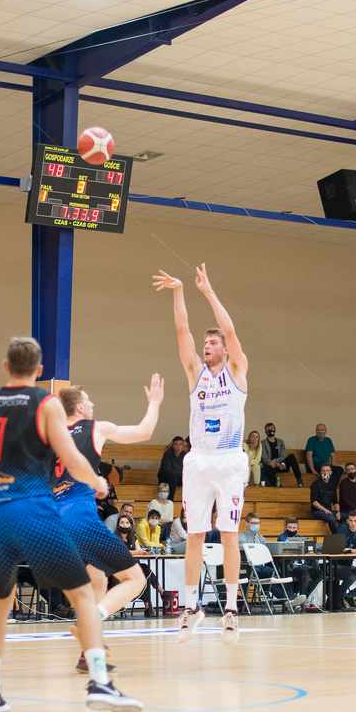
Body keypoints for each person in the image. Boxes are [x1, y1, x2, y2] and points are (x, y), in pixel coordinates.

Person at [0, 336, 141, 712]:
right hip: (33, 509)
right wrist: (97, 482)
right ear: (38, 370)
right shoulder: (45, 403)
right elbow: (72, 458)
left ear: (5, 366)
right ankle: (99, 682)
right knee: (83, 596)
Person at [155, 263, 250, 645]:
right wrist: (180, 290)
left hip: (229, 461)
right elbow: (182, 330)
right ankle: (192, 607)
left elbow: (230, 330)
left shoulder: (237, 370)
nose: (206, 346)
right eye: (205, 343)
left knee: (228, 534)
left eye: (212, 343)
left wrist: (208, 292)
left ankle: (231, 610)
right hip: (197, 461)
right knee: (195, 535)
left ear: (225, 350)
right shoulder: (196, 372)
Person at [52, 377, 164, 673]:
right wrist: (154, 403)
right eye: (88, 400)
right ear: (79, 407)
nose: (92, 404)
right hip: (79, 517)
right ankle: (90, 622)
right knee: (135, 580)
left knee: (98, 580)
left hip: (53, 521)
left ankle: (87, 655)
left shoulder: (51, 437)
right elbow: (145, 431)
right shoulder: (95, 428)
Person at [260, 423, 303, 487]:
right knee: (266, 468)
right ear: (265, 431)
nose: (270, 431)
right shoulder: (263, 443)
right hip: (272, 466)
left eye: (272, 429)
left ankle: (299, 480)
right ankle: (278, 486)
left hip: (282, 465)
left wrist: (278, 462)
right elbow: (264, 458)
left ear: (275, 430)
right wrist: (277, 464)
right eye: (268, 429)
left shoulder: (280, 442)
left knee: (291, 457)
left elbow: (283, 456)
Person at [309, 462, 341, 530]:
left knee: (346, 516)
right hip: (318, 511)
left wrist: (338, 512)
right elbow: (314, 501)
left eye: (327, 470)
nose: (325, 472)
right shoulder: (316, 484)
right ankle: (336, 535)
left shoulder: (332, 486)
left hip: (328, 510)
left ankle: (341, 532)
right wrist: (324, 509)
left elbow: (335, 501)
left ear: (331, 473)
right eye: (323, 470)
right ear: (321, 472)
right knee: (331, 517)